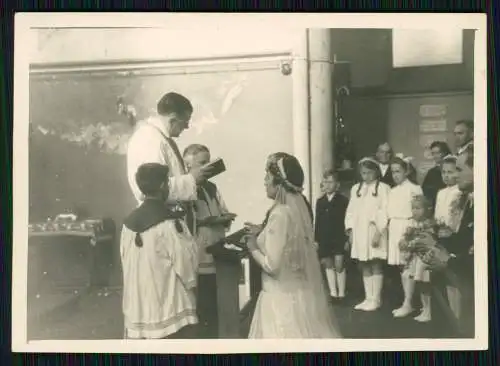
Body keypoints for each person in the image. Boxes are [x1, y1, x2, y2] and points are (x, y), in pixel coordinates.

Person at [245, 153, 340, 338]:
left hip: (278, 299)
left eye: (267, 177)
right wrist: (263, 230)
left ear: (279, 183)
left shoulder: (279, 214)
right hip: (297, 293)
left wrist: (252, 246)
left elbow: (272, 265)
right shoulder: (293, 211)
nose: (264, 182)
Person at [120, 163, 199, 339]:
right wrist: (192, 288)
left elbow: (126, 262)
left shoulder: (128, 224)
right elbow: (186, 266)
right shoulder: (171, 223)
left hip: (138, 307)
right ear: (164, 186)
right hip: (168, 308)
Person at [126, 92, 214, 234]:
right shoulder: (149, 139)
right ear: (173, 119)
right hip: (157, 224)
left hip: (168, 220)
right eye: (185, 121)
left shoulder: (160, 138)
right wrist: (191, 179)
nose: (187, 127)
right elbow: (152, 187)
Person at [418, 143, 475, 337]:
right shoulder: (462, 197)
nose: (455, 176)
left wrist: (447, 257)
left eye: (459, 169)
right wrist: (434, 244)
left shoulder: (468, 198)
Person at [183, 144, 235, 339]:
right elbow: (187, 221)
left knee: (214, 302)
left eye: (209, 161)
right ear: (188, 166)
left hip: (216, 245)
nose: (209, 166)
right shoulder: (186, 189)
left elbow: (221, 208)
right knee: (201, 303)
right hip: (198, 252)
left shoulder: (212, 187)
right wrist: (212, 220)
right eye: (203, 163)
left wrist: (225, 216)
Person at [345, 157, 391, 312]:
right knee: (363, 263)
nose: (366, 176)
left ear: (376, 172)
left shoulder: (383, 188)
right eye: (363, 173)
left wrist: (379, 232)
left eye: (369, 173)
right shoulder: (356, 189)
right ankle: (368, 297)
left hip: (374, 231)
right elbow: (350, 212)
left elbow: (385, 210)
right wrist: (350, 231)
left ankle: (376, 299)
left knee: (375, 262)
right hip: (359, 231)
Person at [386, 154, 423, 318]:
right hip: (395, 227)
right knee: (401, 266)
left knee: (408, 264)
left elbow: (418, 212)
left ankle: (409, 303)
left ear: (406, 171)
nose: (395, 175)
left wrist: (412, 232)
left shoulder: (414, 189)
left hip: (407, 227)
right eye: (393, 172)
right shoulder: (392, 191)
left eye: (398, 171)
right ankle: (407, 302)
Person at [398, 195, 436, 322]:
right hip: (415, 256)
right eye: (413, 208)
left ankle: (428, 310)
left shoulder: (429, 224)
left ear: (427, 209)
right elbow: (407, 239)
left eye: (418, 208)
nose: (415, 211)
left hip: (426, 257)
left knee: (424, 281)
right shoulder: (413, 223)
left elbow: (425, 241)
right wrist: (405, 242)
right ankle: (411, 305)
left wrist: (411, 244)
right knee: (408, 275)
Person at [315, 170, 349, 300]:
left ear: (337, 184)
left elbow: (346, 220)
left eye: (330, 182)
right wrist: (316, 239)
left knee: (339, 264)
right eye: (325, 182)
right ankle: (333, 293)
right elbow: (317, 222)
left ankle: (341, 293)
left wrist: (346, 238)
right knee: (328, 264)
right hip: (325, 238)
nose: (327, 185)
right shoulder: (320, 201)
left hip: (339, 236)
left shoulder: (343, 201)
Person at [422, 141, 452, 209]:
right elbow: (425, 194)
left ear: (445, 153)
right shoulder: (431, 172)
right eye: (433, 153)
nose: (435, 156)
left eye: (438, 153)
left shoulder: (455, 170)